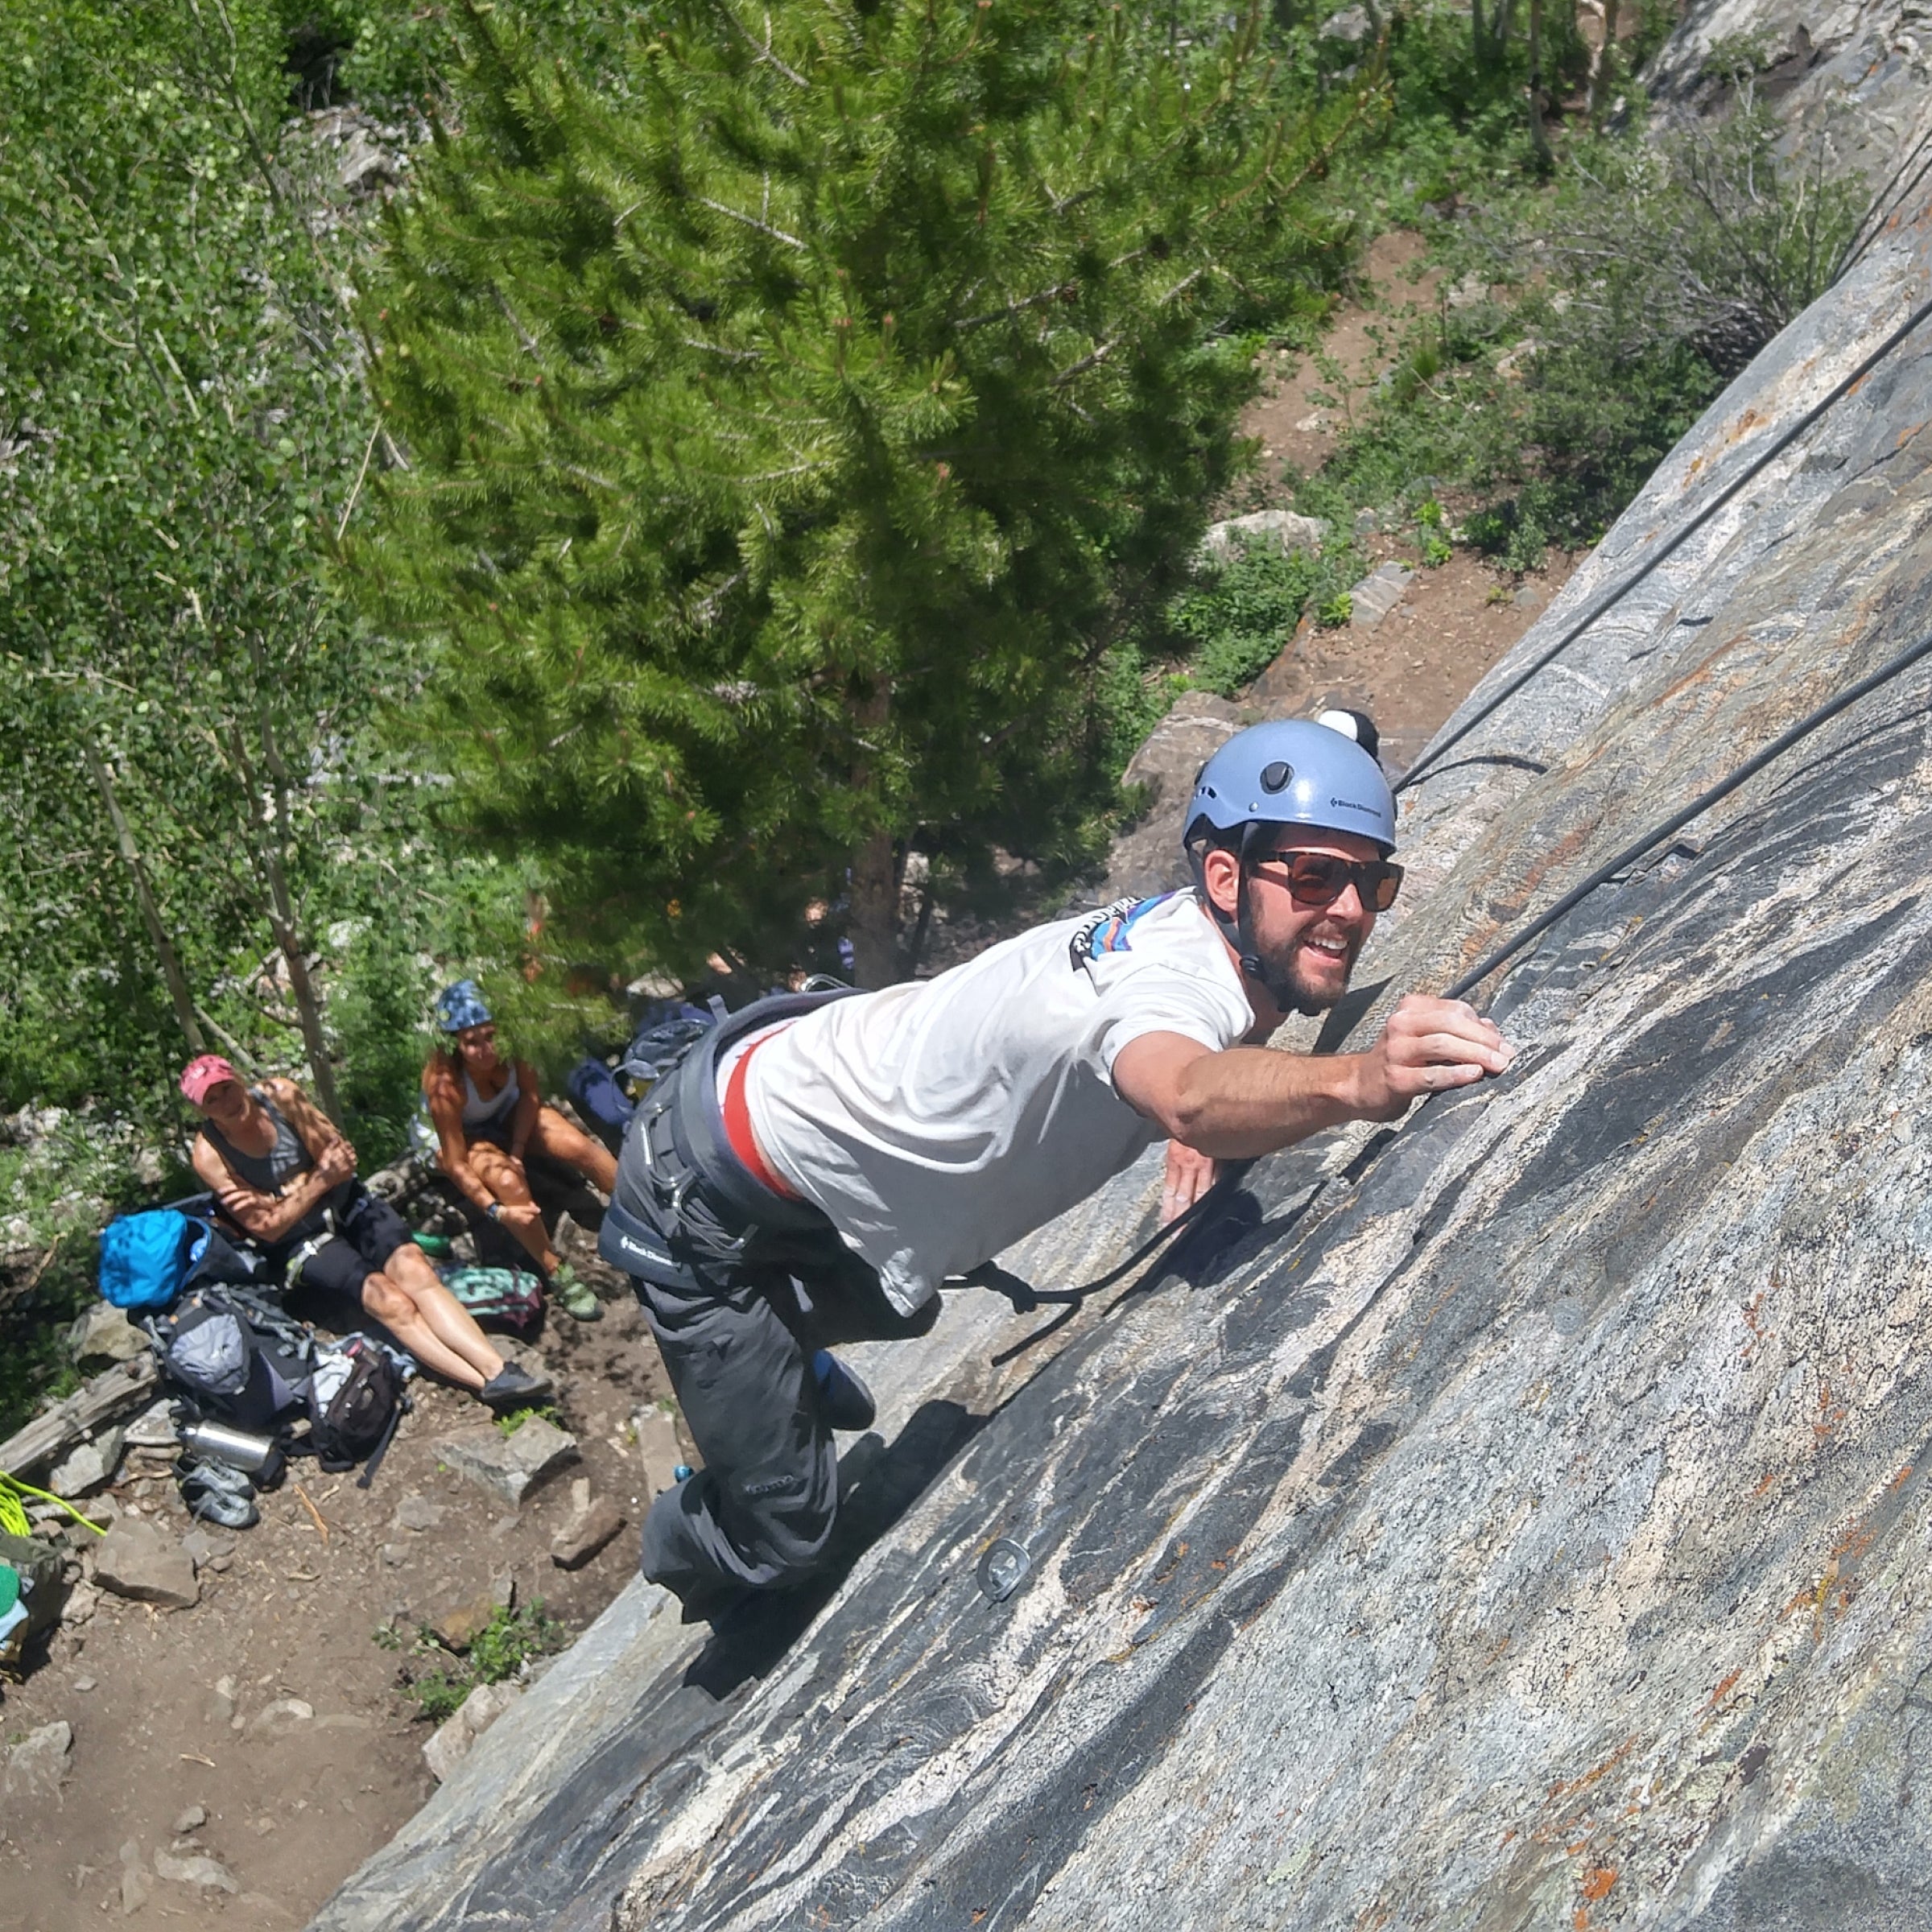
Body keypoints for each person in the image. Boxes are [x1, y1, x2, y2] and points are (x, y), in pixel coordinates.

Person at [601, 718, 1514, 1621]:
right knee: (785, 1541)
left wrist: (1219, 1097)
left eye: (1374, 879)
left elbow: (1327, 735)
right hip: (707, 1191)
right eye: (1317, 875)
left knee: (902, 1299)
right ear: (1226, 876)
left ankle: (775, 1373)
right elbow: (1189, 1088)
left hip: (806, 1116)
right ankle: (695, 1511)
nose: (1350, 910)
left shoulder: (1216, 928)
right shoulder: (1169, 986)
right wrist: (1356, 1080)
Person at [182, 1055, 550, 1408]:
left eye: (226, 1088)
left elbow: (340, 1159)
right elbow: (268, 1228)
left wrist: (286, 1195)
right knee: (390, 1302)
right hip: (302, 1240)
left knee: (416, 1272)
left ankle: (498, 1369)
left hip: (348, 1203)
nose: (225, 1103)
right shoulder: (211, 1155)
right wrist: (317, 1180)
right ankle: (483, 1384)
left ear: (239, 1080)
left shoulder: (282, 1096)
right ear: (203, 1110)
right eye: (211, 1100)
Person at [420, 980, 617, 1322]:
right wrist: (496, 1210)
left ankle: (640, 1205)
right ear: (455, 1044)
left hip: (503, 1113)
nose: (485, 1049)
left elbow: (529, 1096)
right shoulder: (445, 1086)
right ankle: (555, 1270)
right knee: (510, 1183)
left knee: (576, 1145)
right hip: (457, 1137)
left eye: (491, 1035)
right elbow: (455, 1163)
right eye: (472, 1042)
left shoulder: (516, 1050)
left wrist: (517, 1148)